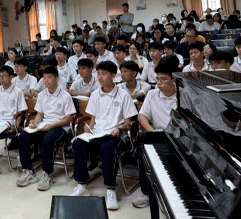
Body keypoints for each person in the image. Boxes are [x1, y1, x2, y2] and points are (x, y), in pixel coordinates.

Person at [69, 61, 138, 210]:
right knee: (78, 144)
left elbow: (128, 122)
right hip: (97, 133)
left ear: (113, 76)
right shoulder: (95, 94)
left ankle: (111, 189)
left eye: (104, 74)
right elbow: (93, 119)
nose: (100, 77)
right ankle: (82, 184)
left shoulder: (123, 95)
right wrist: (89, 127)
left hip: (115, 134)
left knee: (107, 149)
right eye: (98, 74)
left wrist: (119, 129)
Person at [17, 66, 76, 191]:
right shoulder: (42, 94)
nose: (46, 80)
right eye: (44, 78)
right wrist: (34, 122)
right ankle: (28, 171)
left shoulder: (65, 96)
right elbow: (40, 115)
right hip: (44, 124)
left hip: (60, 126)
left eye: (49, 77)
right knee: (23, 136)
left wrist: (53, 125)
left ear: (57, 79)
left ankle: (47, 174)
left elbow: (68, 119)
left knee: (48, 140)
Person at [132, 56, 179, 208]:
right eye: (157, 79)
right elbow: (142, 115)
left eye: (163, 79)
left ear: (174, 80)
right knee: (142, 153)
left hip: (178, 137)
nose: (158, 83)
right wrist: (152, 131)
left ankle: (174, 194)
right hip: (158, 135)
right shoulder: (152, 94)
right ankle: (146, 193)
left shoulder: (184, 96)